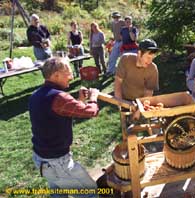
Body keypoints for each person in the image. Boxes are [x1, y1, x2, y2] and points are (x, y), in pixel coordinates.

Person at [29, 57, 99, 197]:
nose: (72, 77)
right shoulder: (59, 98)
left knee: (59, 194)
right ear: (56, 75)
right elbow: (91, 112)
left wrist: (80, 100)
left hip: (42, 158)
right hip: (57, 162)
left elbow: (59, 114)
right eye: (68, 73)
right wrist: (93, 98)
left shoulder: (36, 95)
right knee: (90, 192)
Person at [106, 11, 125, 76]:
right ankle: (111, 71)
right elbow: (114, 33)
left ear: (119, 17)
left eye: (117, 17)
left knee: (123, 57)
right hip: (116, 42)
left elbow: (128, 29)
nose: (116, 18)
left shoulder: (122, 22)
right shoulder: (112, 24)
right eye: (114, 17)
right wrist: (112, 40)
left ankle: (124, 72)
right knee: (112, 57)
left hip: (123, 42)